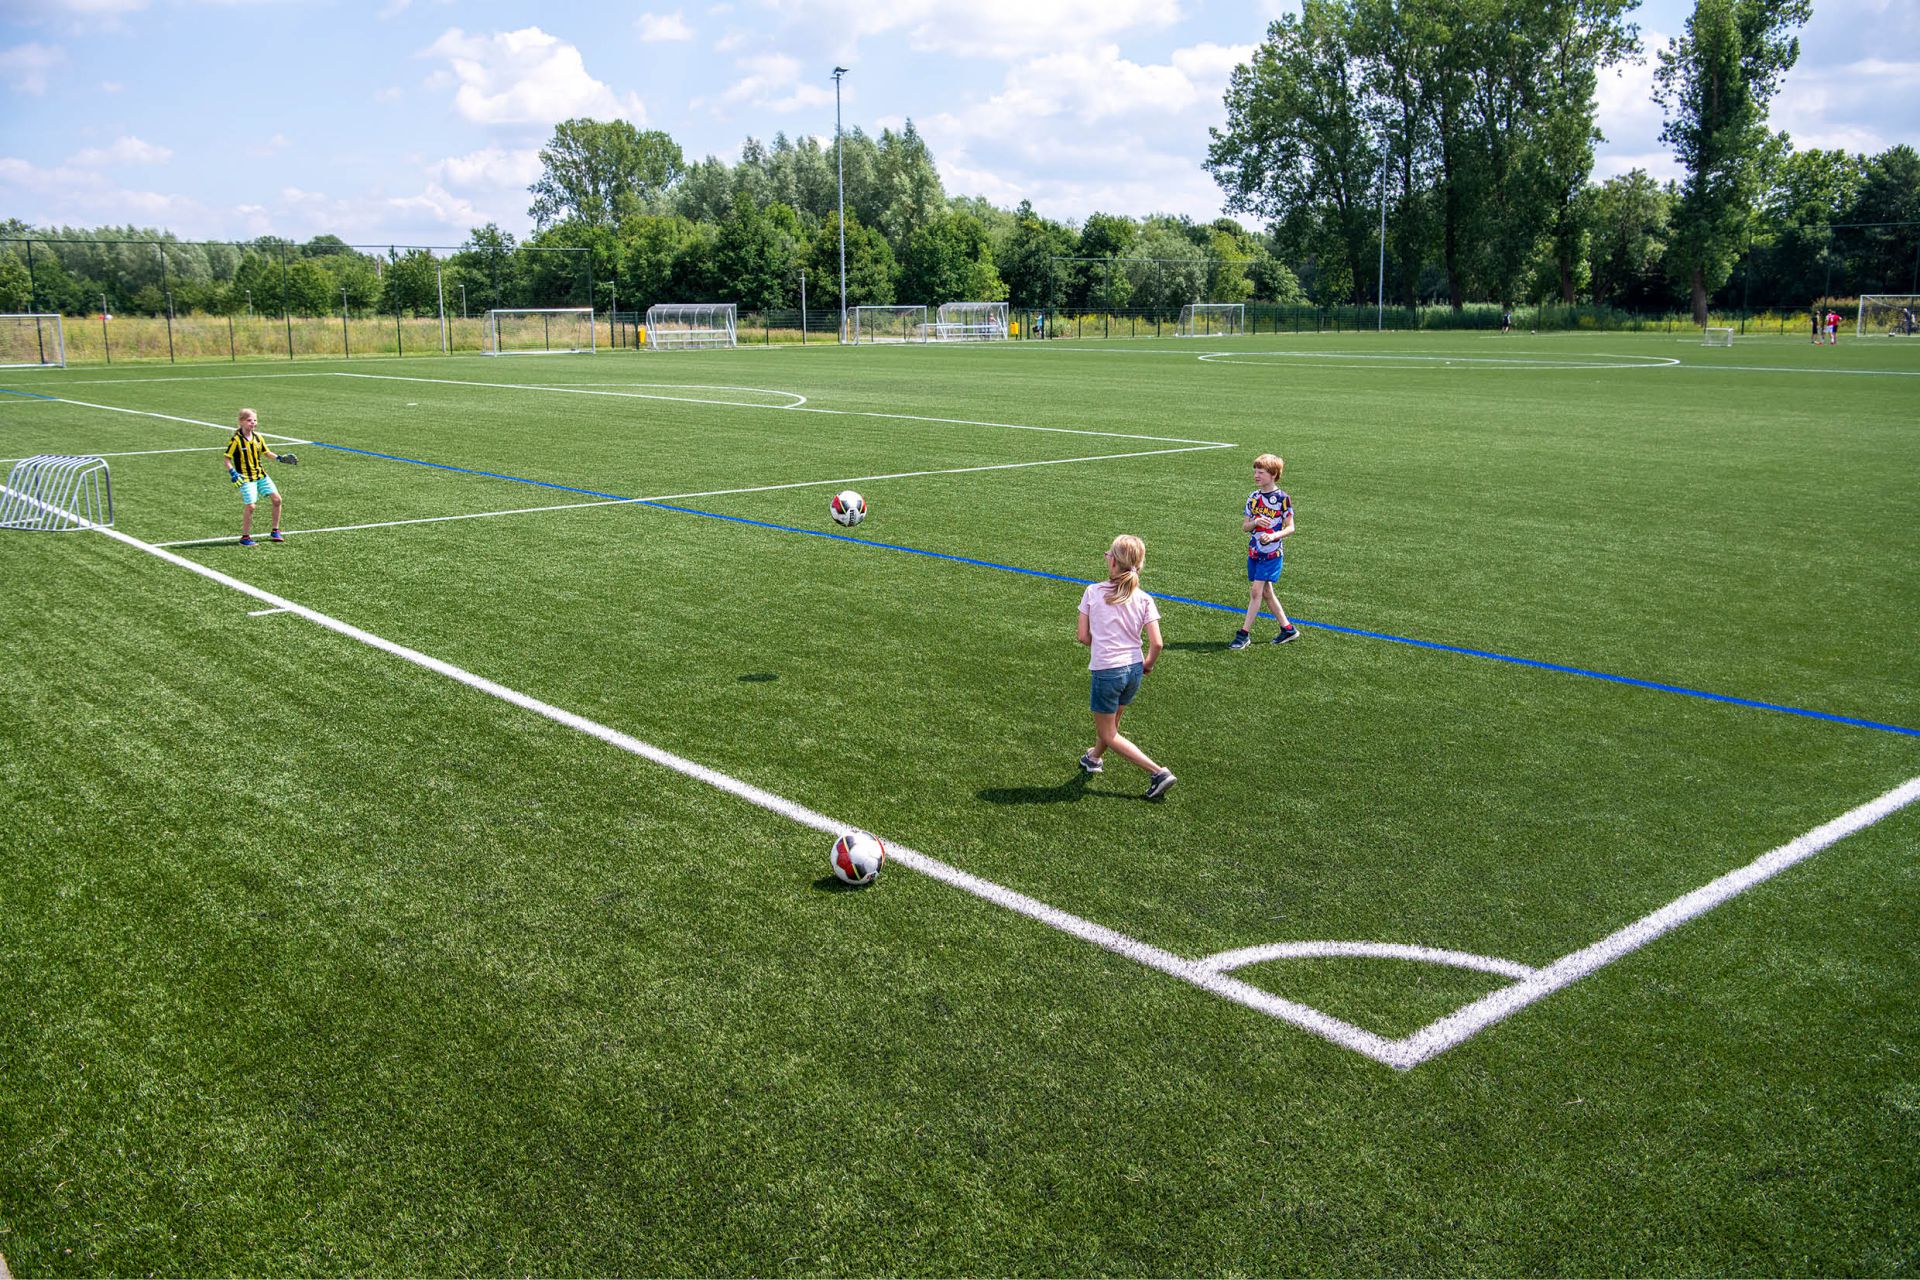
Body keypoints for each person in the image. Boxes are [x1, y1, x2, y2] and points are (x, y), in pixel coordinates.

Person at [1076, 534, 1175, 801]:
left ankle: (1158, 772)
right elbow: (1157, 643)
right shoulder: (1144, 599)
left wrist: (1106, 644)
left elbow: (1083, 637)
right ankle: (1094, 758)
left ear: (1113, 563)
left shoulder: (1092, 592)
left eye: (1108, 554)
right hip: (1133, 669)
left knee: (1108, 732)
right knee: (1113, 723)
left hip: (1107, 670)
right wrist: (1148, 665)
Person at [1229, 453, 1300, 650]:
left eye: (1261, 472)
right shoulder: (1253, 497)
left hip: (1272, 554)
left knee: (1256, 591)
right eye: (1255, 471)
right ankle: (1288, 629)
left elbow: (1290, 527)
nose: (1256, 475)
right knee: (1267, 592)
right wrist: (1255, 522)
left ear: (1273, 474)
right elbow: (1245, 527)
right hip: (1254, 552)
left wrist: (1274, 535)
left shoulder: (1282, 499)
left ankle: (1243, 634)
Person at [222, 407, 296, 546]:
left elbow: (266, 453)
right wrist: (233, 472)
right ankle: (245, 537)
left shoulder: (258, 438)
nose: (253, 423)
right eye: (249, 420)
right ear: (241, 422)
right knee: (251, 506)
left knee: (277, 499)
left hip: (261, 476)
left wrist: (280, 458)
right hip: (246, 478)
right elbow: (227, 459)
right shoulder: (236, 440)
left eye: (255, 420)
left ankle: (275, 530)